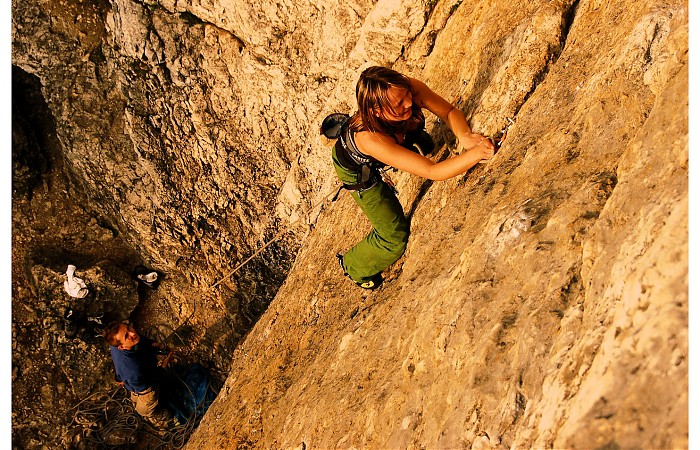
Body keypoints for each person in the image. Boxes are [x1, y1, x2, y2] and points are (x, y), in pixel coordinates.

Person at [330, 66, 495, 289]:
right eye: (399, 104)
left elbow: (448, 112)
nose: (408, 102)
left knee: (418, 132)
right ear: (377, 111)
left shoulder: (404, 88)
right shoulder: (371, 139)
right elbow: (432, 171)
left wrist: (465, 136)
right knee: (394, 237)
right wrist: (477, 154)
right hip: (359, 171)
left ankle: (410, 140)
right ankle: (354, 266)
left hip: (394, 133)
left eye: (407, 96)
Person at [103, 322, 174, 425]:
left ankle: (136, 397)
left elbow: (139, 344)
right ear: (121, 347)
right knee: (143, 408)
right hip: (144, 387)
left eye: (128, 328)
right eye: (126, 336)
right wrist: (165, 363)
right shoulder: (133, 369)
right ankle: (153, 414)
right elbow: (152, 380)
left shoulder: (120, 345)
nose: (132, 333)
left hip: (131, 379)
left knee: (135, 395)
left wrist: (153, 344)